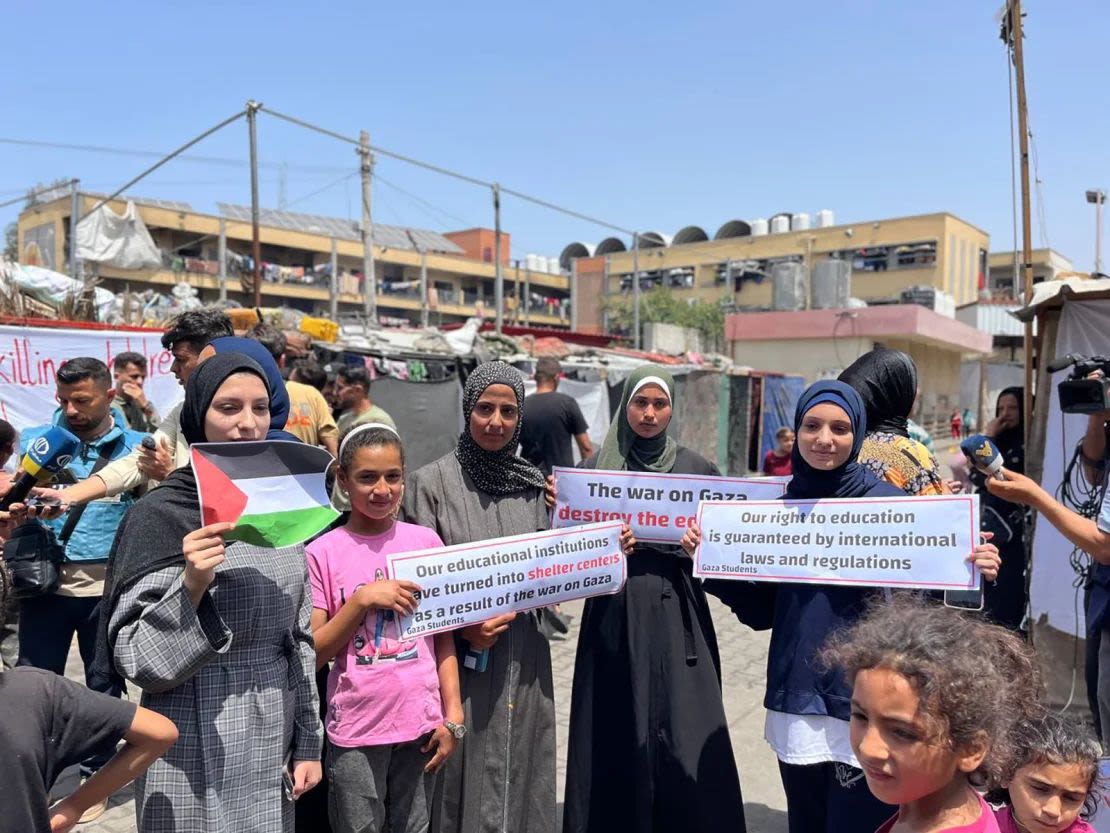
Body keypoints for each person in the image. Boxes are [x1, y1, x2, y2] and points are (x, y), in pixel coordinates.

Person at [681, 380, 1001, 833]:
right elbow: (761, 613)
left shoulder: (896, 507)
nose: (824, 439)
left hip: (871, 704)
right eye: (812, 426)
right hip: (797, 700)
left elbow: (928, 606)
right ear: (797, 430)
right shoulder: (775, 510)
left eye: (840, 428)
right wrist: (713, 564)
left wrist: (972, 567)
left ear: (858, 436)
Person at [102, 351, 323, 832]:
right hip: (188, 732)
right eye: (229, 408)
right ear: (197, 413)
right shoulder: (160, 516)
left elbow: (299, 639)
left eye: (260, 408)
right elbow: (137, 659)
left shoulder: (281, 509)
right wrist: (192, 586)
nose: (248, 424)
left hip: (272, 731)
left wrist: (308, 740)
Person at [561, 365, 746, 833]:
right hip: (613, 617)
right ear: (625, 407)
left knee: (685, 727)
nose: (648, 413)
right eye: (639, 403)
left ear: (671, 409)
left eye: (658, 404)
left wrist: (702, 547)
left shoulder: (696, 470)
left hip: (678, 614)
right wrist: (595, 540)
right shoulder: (594, 472)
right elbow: (568, 553)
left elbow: (728, 548)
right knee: (616, 724)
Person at [401, 361, 555, 833]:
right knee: (458, 774)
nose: (496, 421)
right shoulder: (430, 485)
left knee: (524, 758)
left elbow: (550, 568)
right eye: (485, 408)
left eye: (508, 411)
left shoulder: (534, 487)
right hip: (455, 664)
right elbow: (416, 585)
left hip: (524, 657)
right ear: (467, 410)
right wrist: (463, 628)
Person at [308, 423, 463, 833]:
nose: (383, 490)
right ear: (342, 478)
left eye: (393, 476)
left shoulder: (426, 543)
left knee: (414, 825)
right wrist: (360, 601)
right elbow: (315, 652)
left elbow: (442, 639)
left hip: (422, 726)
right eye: (367, 477)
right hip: (356, 730)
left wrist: (453, 716)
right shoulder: (321, 553)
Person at [17, 357, 145, 821]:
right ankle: (37, 773)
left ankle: (95, 777)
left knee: (103, 687)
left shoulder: (137, 448)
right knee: (33, 682)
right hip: (43, 587)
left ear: (110, 396)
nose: (71, 410)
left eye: (82, 400)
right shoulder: (37, 443)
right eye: (64, 400)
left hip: (108, 591)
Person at [821, 594, 1040, 833]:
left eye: (902, 733)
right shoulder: (926, 812)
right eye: (861, 716)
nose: (868, 748)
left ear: (971, 749)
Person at [0, 562, 179, 833]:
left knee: (98, 683)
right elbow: (160, 733)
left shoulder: (33, 690)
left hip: (97, 591)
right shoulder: (32, 689)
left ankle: (90, 768)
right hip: (48, 587)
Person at [43, 308, 234, 505]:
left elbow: (234, 497)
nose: (173, 369)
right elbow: (137, 463)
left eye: (182, 359)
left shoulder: (245, 416)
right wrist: (66, 496)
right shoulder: (183, 412)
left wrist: (171, 476)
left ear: (210, 357)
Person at [839, 348, 948, 496]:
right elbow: (934, 513)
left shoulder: (835, 445)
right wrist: (945, 494)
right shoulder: (908, 455)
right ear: (900, 394)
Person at [972, 388, 1028, 630]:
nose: (1005, 414)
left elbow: (1002, 480)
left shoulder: (1027, 445)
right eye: (1001, 409)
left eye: (1012, 408)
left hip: (1017, 535)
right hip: (992, 529)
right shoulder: (999, 441)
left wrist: (989, 441)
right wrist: (990, 438)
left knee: (1010, 596)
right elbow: (977, 475)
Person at [988, 714, 1101, 833]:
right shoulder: (984, 827)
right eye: (1040, 789)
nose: (1053, 810)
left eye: (1071, 798)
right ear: (1006, 774)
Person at [248, 325, 339, 456]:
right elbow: (330, 437)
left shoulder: (229, 396)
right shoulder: (310, 394)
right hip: (302, 473)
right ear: (282, 361)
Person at [518, 357, 593, 476]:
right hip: (561, 481)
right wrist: (588, 479)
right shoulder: (567, 403)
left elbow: (511, 449)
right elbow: (586, 447)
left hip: (528, 479)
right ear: (557, 377)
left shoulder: (522, 406)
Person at [335, 364, 395, 436]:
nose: (335, 393)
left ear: (358, 390)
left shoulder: (379, 421)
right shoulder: (343, 420)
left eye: (340, 388)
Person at [112, 351, 160, 433]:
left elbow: (159, 433)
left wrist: (146, 407)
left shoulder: (143, 405)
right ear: (117, 377)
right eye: (134, 376)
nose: (140, 381)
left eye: (143, 377)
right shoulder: (106, 405)